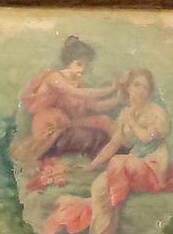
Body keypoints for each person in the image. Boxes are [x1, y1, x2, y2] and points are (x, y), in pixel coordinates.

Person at [42, 68, 173, 234]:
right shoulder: (125, 113)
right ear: (128, 88)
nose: (141, 90)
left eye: (145, 87)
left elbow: (145, 137)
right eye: (136, 85)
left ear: (150, 91)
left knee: (117, 165)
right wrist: (92, 166)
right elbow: (113, 145)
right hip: (131, 166)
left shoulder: (156, 113)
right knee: (98, 188)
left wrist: (131, 121)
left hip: (151, 166)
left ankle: (114, 201)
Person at [12, 35, 120, 168]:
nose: (83, 69)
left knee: (104, 120)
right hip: (48, 122)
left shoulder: (79, 85)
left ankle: (121, 153)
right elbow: (75, 93)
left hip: (67, 123)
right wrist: (111, 88)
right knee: (57, 120)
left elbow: (97, 106)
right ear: (68, 61)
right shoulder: (55, 78)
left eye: (86, 65)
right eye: (79, 64)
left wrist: (118, 98)